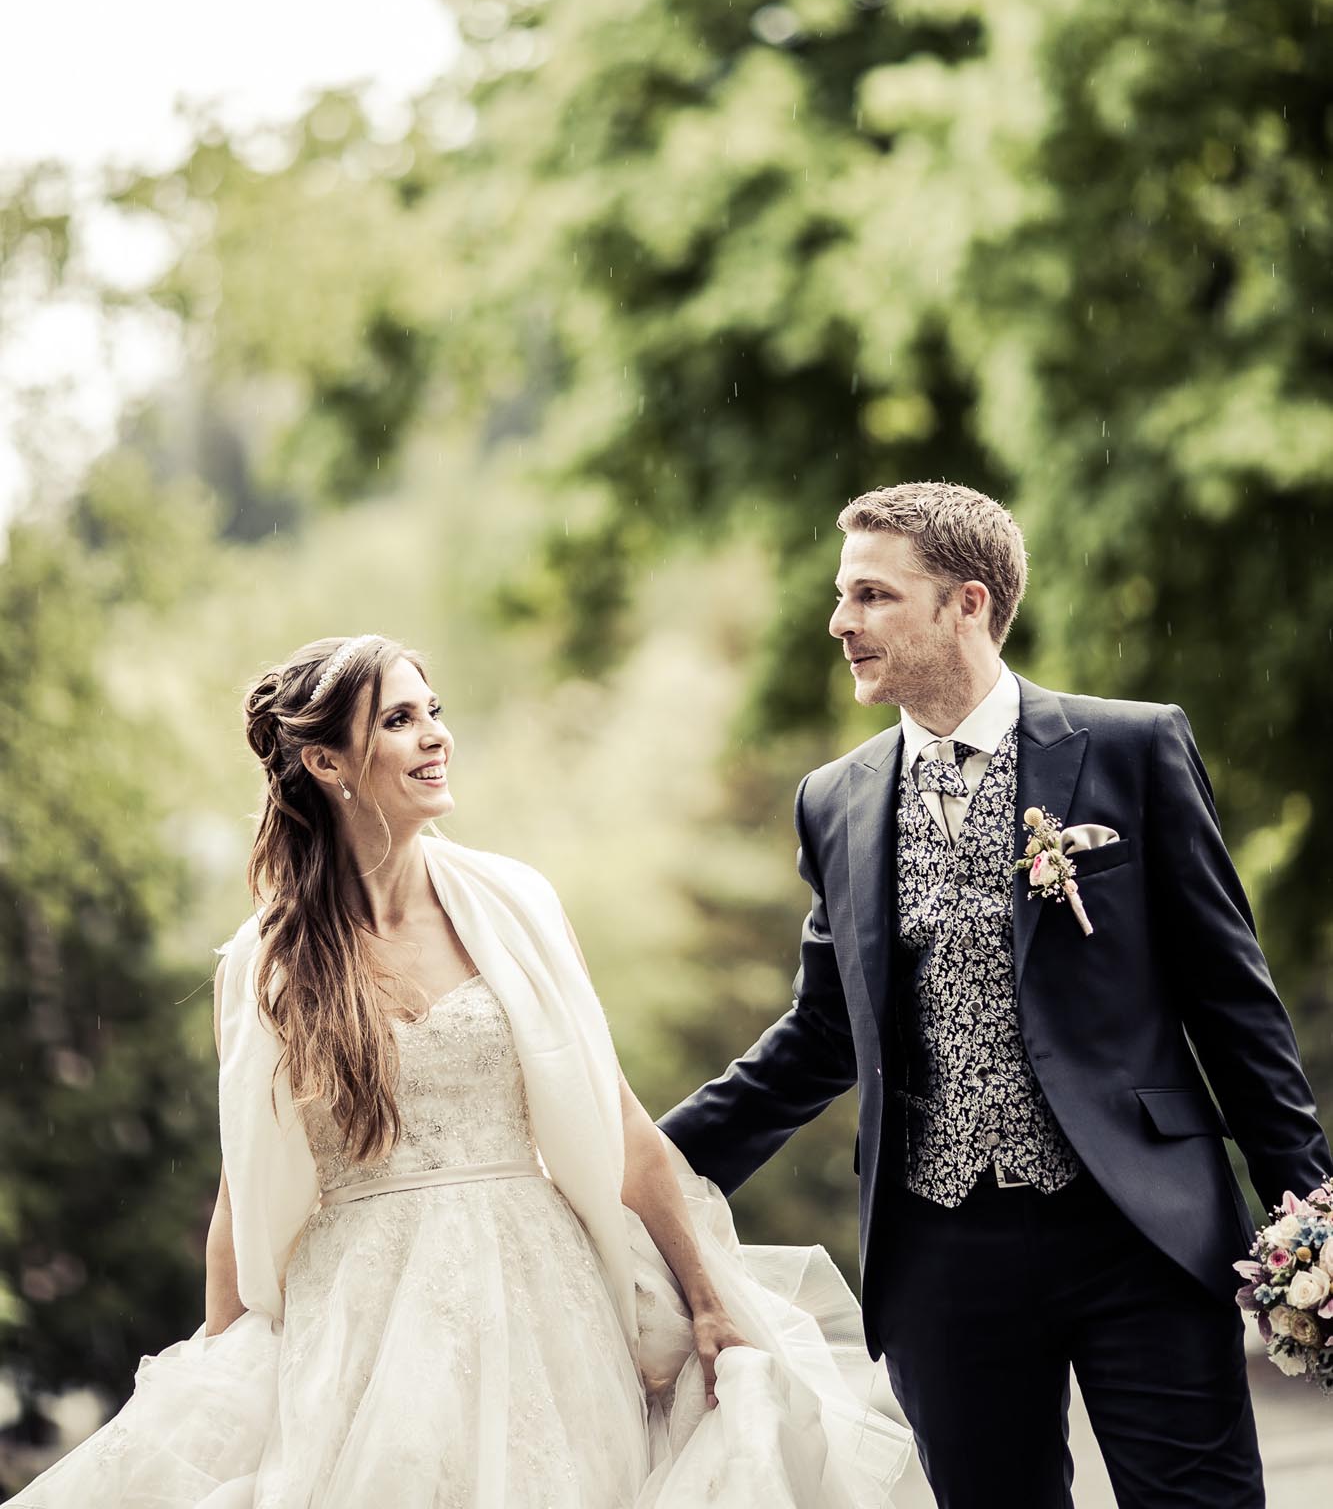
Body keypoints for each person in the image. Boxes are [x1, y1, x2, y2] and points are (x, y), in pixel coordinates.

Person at [13, 632, 911, 1509]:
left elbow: (622, 1126)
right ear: (327, 764)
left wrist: (711, 1300)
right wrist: (217, 1371)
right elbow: (241, 1195)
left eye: (432, 711)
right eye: (399, 720)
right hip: (364, 1322)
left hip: (543, 1302)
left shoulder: (517, 904)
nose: (436, 734)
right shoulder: (266, 964)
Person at [659, 481, 1332, 1509]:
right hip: (941, 1251)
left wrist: (1311, 1208)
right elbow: (820, 1037)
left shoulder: (1129, 746)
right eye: (843, 596)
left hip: (1136, 1226)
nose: (840, 622)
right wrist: (644, 1166)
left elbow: (1229, 1000)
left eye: (873, 596)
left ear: (966, 603)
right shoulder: (834, 798)